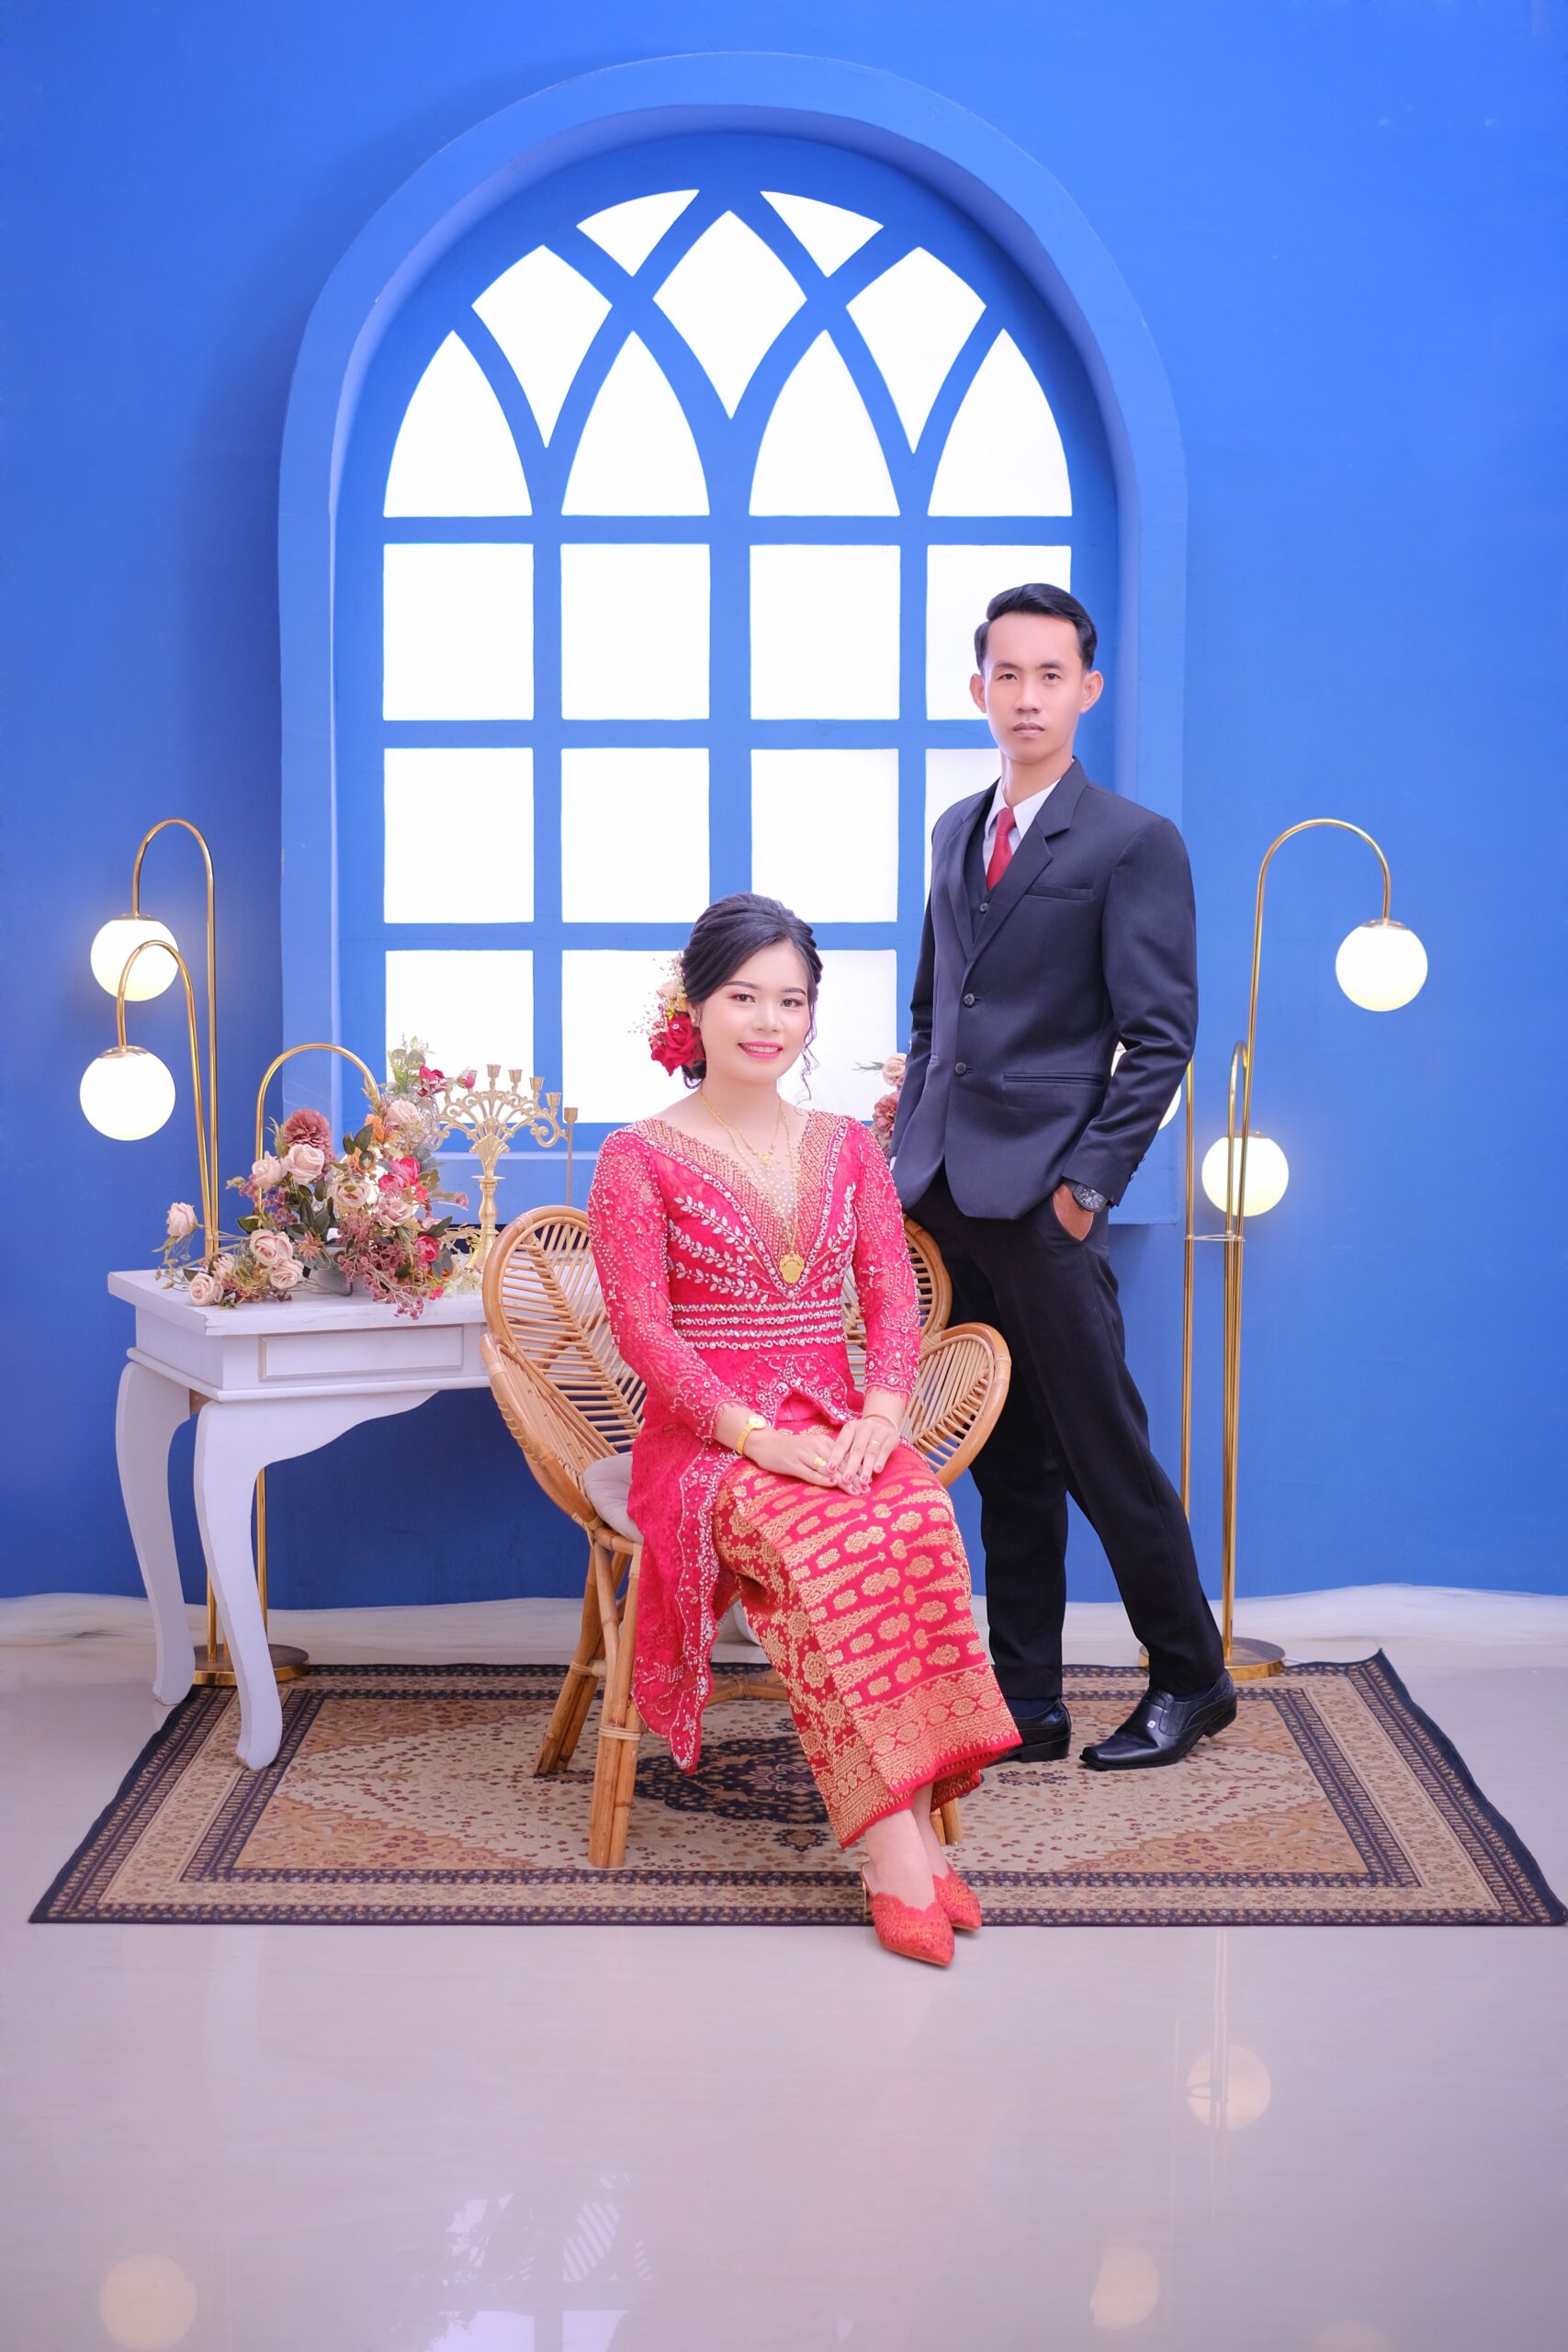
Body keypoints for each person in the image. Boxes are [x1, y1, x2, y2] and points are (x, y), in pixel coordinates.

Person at [587, 893, 1020, 1965]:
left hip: (839, 1420)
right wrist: (752, 1437)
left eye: (791, 1000)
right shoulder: (636, 1156)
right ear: (696, 1005)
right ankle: (897, 1851)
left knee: (915, 1519)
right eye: (745, 997)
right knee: (822, 1544)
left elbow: (892, 1294)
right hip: (709, 1442)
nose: (769, 1021)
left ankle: (910, 1825)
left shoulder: (847, 1146)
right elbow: (643, 1332)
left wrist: (884, 1409)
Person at [891, 582, 1235, 1770]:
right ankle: (1026, 1699)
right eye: (1007, 673)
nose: (1026, 696)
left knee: (1101, 1451)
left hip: (1044, 1203)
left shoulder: (1132, 841)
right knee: (1007, 1459)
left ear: (1086, 689)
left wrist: (1085, 1188)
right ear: (977, 688)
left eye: (1050, 675)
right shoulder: (954, 828)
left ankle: (1190, 1675)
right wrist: (908, 1145)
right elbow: (934, 1010)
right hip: (944, 1196)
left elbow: (1161, 1036)